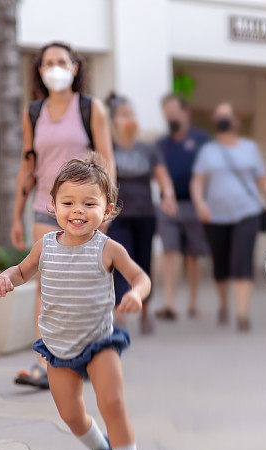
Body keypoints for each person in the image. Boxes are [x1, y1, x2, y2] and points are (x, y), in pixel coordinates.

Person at [0, 155, 150, 450]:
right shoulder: (45, 246)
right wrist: (7, 277)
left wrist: (137, 294)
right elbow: (22, 271)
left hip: (99, 341)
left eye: (89, 203)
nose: (78, 210)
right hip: (57, 346)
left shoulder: (107, 249)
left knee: (113, 403)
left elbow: (140, 277)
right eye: (68, 202)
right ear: (53, 206)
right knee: (72, 415)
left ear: (107, 210)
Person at [10, 41, 115, 388]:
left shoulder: (91, 108)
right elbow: (28, 165)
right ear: (40, 71)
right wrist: (15, 215)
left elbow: (106, 161)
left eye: (61, 61)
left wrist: (105, 210)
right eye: (47, 62)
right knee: (47, 286)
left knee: (85, 285)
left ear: (74, 68)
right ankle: (46, 361)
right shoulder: (33, 112)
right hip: (46, 207)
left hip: (85, 211)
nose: (54, 67)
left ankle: (89, 355)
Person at [191, 103, 266, 332]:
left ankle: (242, 314)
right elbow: (197, 181)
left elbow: (262, 181)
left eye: (227, 116)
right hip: (215, 217)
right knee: (221, 265)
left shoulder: (249, 149)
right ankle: (224, 305)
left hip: (247, 212)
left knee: (242, 262)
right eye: (219, 116)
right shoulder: (208, 151)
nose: (224, 120)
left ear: (236, 121)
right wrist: (199, 203)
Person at [105, 92, 178, 334]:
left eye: (132, 114)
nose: (130, 119)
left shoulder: (148, 149)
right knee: (120, 264)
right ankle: (120, 313)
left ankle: (145, 312)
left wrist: (168, 194)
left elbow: (162, 177)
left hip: (145, 216)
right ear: (114, 121)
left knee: (144, 263)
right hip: (119, 217)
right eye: (125, 115)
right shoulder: (109, 148)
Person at [155, 93, 211, 321]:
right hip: (169, 206)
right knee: (170, 252)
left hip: (194, 204)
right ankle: (169, 304)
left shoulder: (202, 139)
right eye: (167, 112)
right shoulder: (161, 143)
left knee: (193, 255)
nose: (171, 116)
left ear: (185, 112)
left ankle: (193, 303)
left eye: (174, 111)